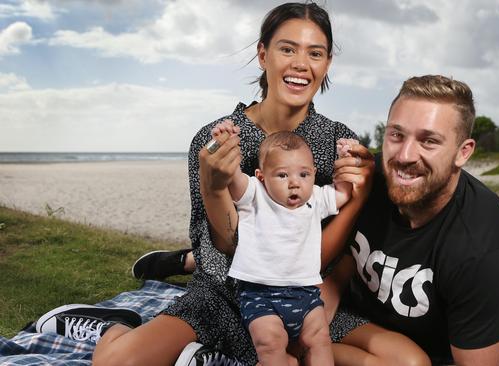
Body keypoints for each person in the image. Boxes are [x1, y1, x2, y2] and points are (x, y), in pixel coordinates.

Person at [34, 3, 426, 366]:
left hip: (302, 296)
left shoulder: (335, 144)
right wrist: (214, 185)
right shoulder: (215, 141)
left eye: (315, 53)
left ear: (327, 64)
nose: (301, 64)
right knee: (115, 362)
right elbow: (228, 246)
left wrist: (356, 198)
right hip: (226, 292)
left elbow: (327, 257)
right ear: (263, 55)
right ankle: (115, 322)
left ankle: (212, 353)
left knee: (410, 361)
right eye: (287, 49)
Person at [324, 74, 499, 365]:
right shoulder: (365, 181)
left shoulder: (481, 239)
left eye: (429, 141)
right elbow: (335, 272)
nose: (404, 156)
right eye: (396, 135)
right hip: (345, 323)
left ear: (463, 152)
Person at [213, 122, 356, 365]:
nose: (294, 183)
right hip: (261, 295)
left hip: (306, 294)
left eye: (304, 174)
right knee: (270, 344)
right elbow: (231, 177)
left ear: (313, 172)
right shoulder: (255, 195)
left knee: (320, 339)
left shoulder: (316, 199)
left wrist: (347, 157)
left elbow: (343, 193)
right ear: (261, 176)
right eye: (282, 175)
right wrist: (226, 142)